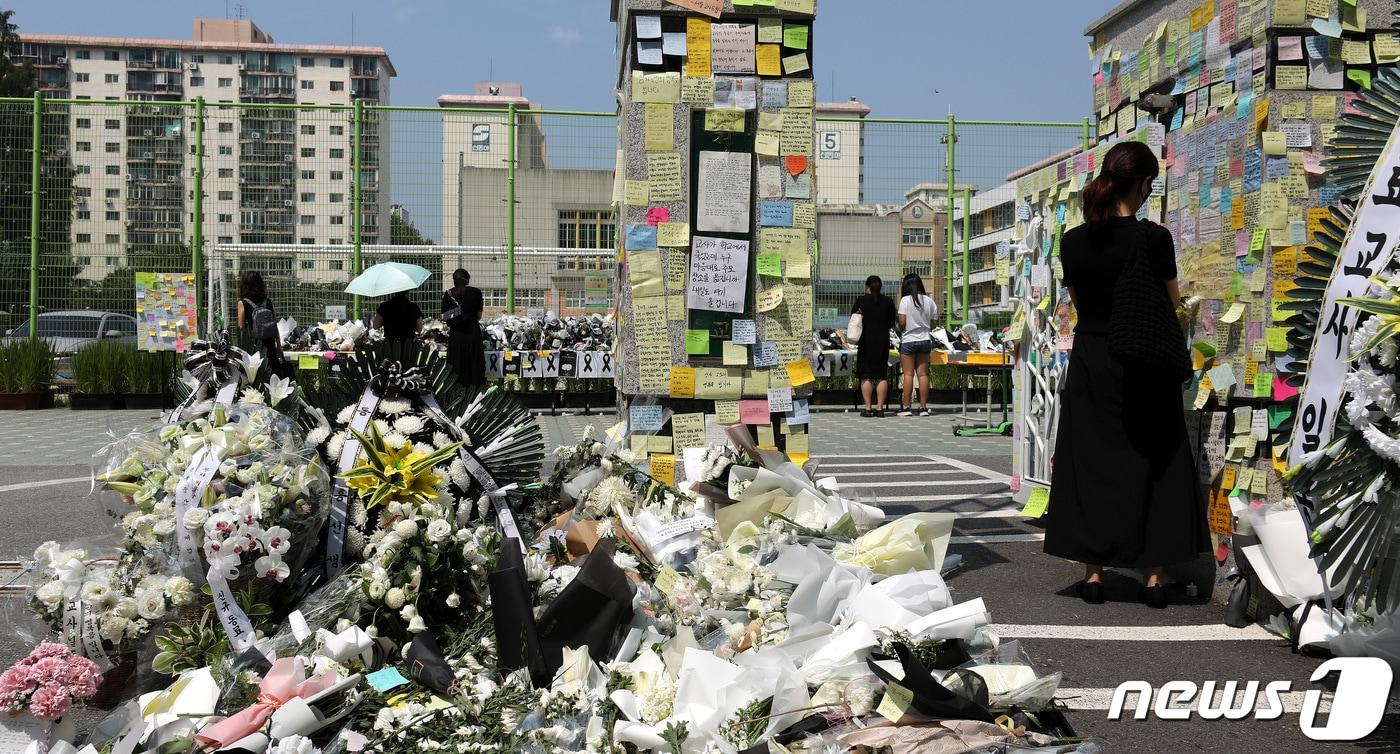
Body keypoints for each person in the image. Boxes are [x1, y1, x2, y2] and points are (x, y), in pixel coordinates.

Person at [1043, 140, 1207, 610]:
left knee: (1093, 463)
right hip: (1144, 362)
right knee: (1155, 461)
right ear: (1140, 184)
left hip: (1093, 358)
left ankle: (1094, 574)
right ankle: (1153, 578)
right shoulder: (1155, 239)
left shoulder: (1073, 241)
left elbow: (1080, 305)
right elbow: (1172, 303)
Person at [849, 275, 896, 418]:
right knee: (882, 375)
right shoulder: (888, 302)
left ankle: (868, 407)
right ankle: (880, 408)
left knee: (866, 376)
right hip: (882, 342)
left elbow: (853, 319)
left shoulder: (861, 301)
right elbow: (891, 322)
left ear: (867, 287)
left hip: (865, 342)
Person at [896, 274, 937, 417]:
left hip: (908, 340)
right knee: (923, 374)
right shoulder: (930, 301)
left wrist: (903, 329)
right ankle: (923, 408)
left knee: (908, 374)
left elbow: (902, 322)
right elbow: (933, 324)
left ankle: (906, 408)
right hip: (925, 339)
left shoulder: (905, 301)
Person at [443, 268, 485, 389]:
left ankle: (457, 392)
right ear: (467, 279)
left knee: (456, 364)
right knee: (474, 364)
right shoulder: (476, 292)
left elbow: (445, 318)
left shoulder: (448, 294)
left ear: (454, 280)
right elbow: (478, 316)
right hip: (473, 333)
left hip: (456, 334)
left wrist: (457, 313)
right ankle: (474, 393)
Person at [236, 271, 285, 375]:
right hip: (270, 345)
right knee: (272, 375)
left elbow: (241, 328)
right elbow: (274, 325)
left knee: (256, 377)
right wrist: (279, 345)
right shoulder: (268, 301)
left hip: (253, 347)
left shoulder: (242, 303)